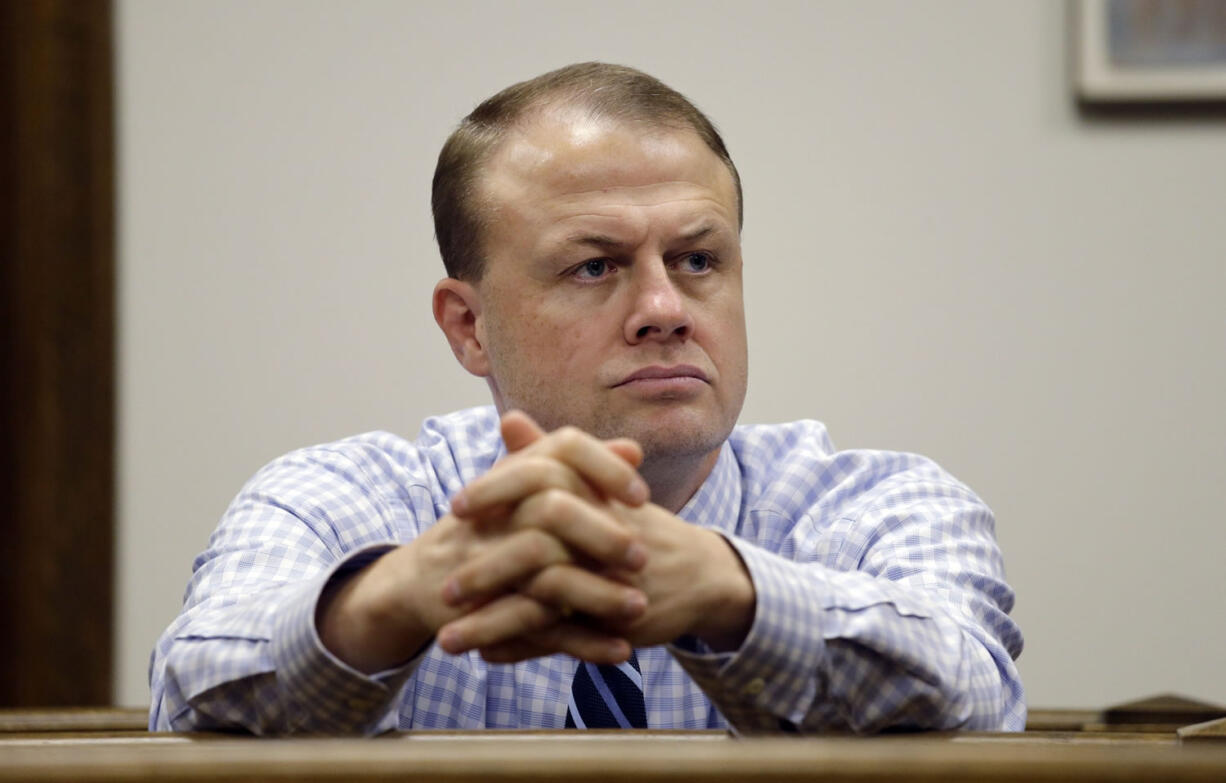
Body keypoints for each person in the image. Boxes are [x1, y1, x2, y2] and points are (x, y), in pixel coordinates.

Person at [148, 62, 1025, 735]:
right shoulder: (345, 499)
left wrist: (735, 594)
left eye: (698, 260)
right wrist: (399, 598)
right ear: (469, 327)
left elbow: (981, 698)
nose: (663, 310)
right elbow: (190, 694)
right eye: (594, 265)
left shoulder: (880, 506)